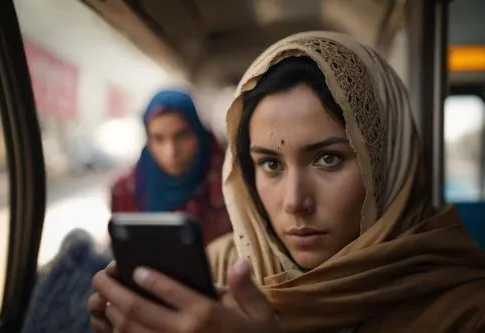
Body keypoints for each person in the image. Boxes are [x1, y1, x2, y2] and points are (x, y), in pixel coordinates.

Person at [88, 31, 485, 333]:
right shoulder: (220, 268)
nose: (295, 202)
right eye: (271, 165)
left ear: (388, 163)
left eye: (328, 159)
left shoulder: (465, 312)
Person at [111, 88, 231, 245]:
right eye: (158, 139)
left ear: (198, 134)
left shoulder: (230, 181)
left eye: (181, 136)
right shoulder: (125, 190)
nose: (171, 152)